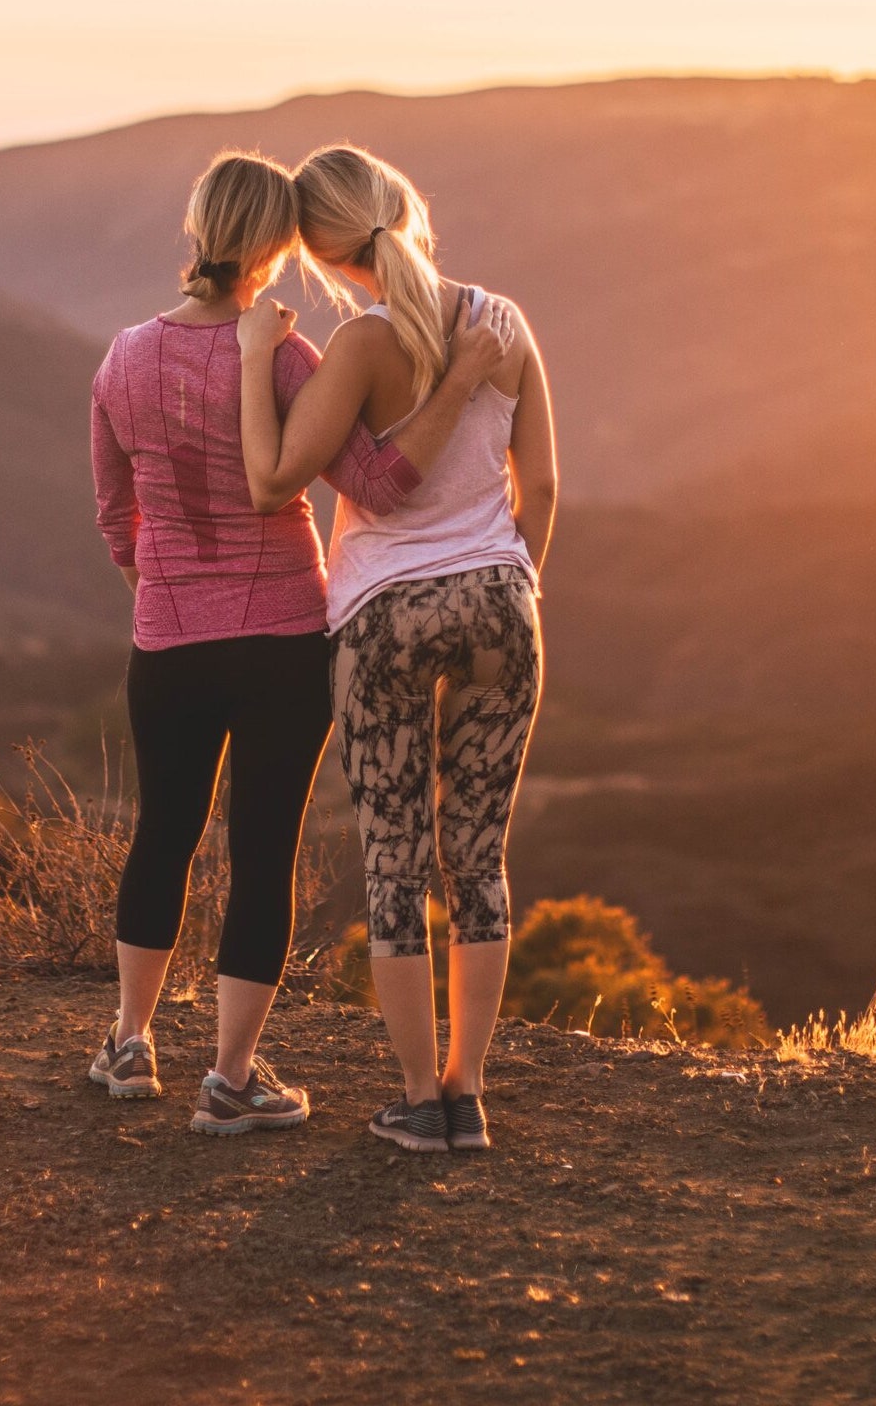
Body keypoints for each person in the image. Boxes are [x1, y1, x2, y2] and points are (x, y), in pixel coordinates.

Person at [87, 149, 506, 1135]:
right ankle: (231, 1076)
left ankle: (129, 1041)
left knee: (164, 831)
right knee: (260, 849)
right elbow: (376, 482)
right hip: (282, 637)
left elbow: (114, 509)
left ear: (194, 231)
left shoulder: (122, 357)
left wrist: (157, 586)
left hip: (169, 638)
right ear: (276, 249)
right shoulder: (286, 358)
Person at [237, 143, 556, 1153]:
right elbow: (538, 487)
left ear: (326, 258)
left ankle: (421, 1096)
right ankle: (470, 1089)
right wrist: (511, 582)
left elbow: (297, 472)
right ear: (404, 206)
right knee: (479, 854)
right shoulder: (502, 324)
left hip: (384, 618)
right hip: (503, 602)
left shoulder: (361, 349)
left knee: (395, 857)